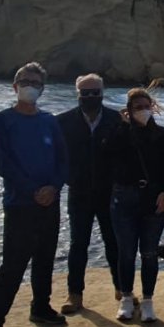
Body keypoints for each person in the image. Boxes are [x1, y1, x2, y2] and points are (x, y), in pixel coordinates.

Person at [0, 62, 70, 327]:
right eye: (25, 81)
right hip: (20, 204)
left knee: (45, 258)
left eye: (36, 82)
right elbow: (3, 164)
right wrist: (33, 191)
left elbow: (63, 160)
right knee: (13, 266)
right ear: (15, 86)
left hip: (50, 202)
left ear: (42, 88)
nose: (30, 86)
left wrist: (53, 187)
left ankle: (41, 307)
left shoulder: (49, 121)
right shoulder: (2, 120)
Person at [105, 87, 164, 322]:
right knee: (126, 252)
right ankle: (126, 298)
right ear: (128, 110)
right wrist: (123, 127)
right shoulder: (120, 133)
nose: (143, 111)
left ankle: (148, 300)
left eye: (147, 107)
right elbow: (107, 154)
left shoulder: (163, 135)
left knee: (149, 252)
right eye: (138, 108)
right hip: (124, 196)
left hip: (154, 197)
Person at [56, 73, 122, 314]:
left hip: (109, 192)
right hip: (79, 193)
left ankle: (122, 291)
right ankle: (74, 295)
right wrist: (66, 179)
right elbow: (56, 156)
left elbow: (127, 154)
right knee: (78, 244)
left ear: (103, 93)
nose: (91, 96)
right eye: (86, 93)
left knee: (114, 243)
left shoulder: (117, 120)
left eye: (96, 92)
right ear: (78, 94)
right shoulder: (62, 122)